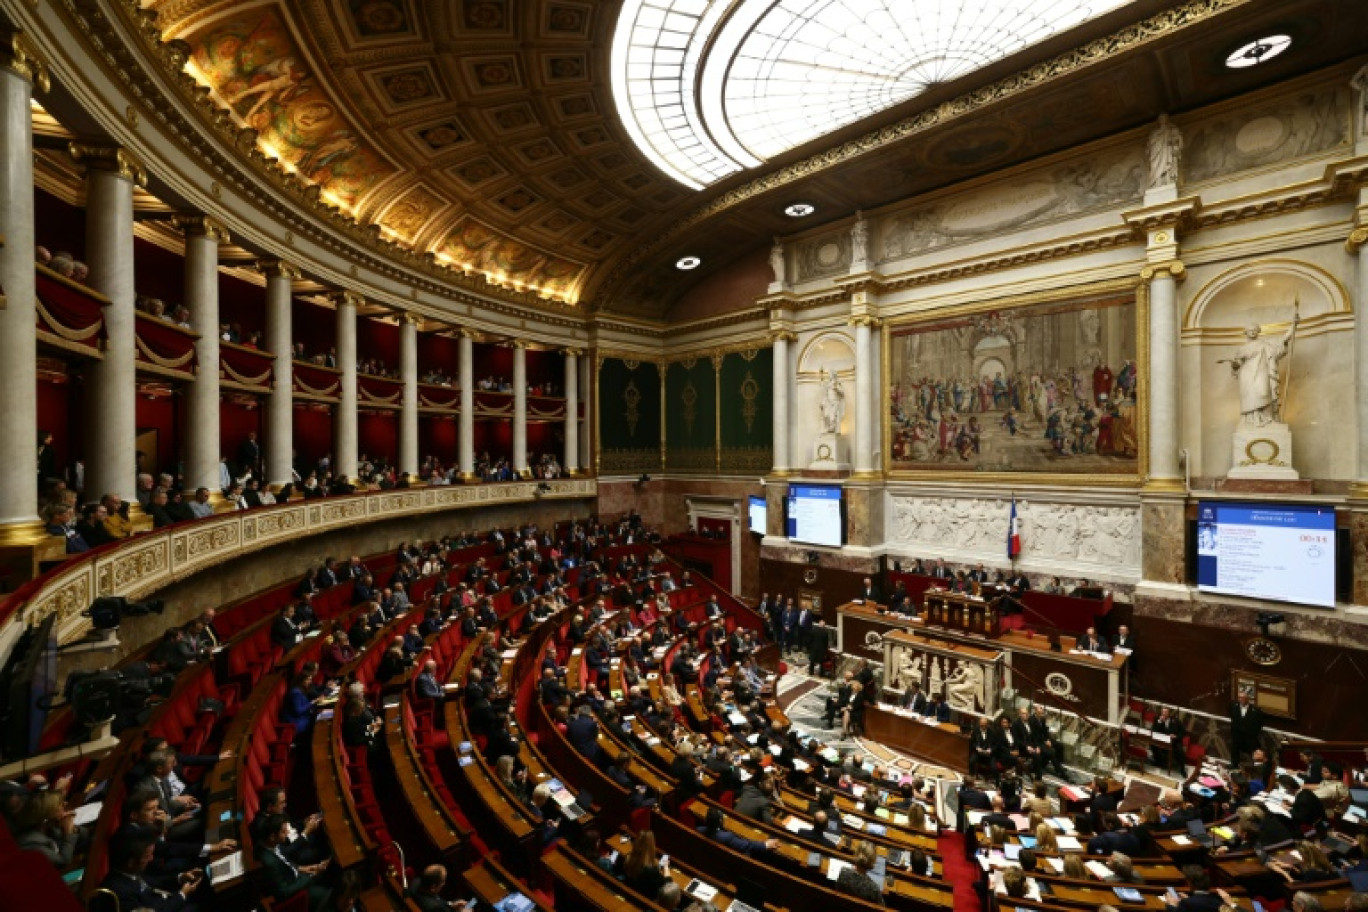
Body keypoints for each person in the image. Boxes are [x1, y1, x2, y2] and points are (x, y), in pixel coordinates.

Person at [100, 834, 203, 912]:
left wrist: (181, 878)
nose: (151, 859)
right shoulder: (121, 895)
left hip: (165, 900)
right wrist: (182, 895)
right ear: (131, 862)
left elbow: (154, 882)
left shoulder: (128, 870)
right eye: (146, 856)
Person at [255, 813, 332, 910]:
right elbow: (283, 893)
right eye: (283, 832)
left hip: (298, 876)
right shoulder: (269, 863)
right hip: (298, 894)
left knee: (330, 872)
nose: (287, 833)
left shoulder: (269, 844)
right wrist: (310, 876)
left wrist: (309, 868)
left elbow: (285, 861)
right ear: (272, 837)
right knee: (329, 895)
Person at [617, 829, 668, 898]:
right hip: (643, 900)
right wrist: (666, 868)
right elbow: (665, 885)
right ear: (652, 845)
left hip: (628, 894)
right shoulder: (652, 871)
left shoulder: (628, 858)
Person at [406, 864, 475, 912]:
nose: (444, 884)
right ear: (433, 887)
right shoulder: (435, 908)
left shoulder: (416, 882)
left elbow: (437, 900)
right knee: (472, 904)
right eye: (442, 881)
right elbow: (438, 906)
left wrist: (451, 904)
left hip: (445, 905)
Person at [835, 840, 885, 906]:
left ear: (856, 854)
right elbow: (881, 907)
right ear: (872, 861)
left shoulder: (843, 873)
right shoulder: (873, 888)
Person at [1229, 690, 1264, 761]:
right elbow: (1232, 718)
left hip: (1249, 738)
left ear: (1247, 699)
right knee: (1234, 751)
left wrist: (1252, 734)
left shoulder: (1256, 711)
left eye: (1242, 698)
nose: (1240, 699)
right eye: (1239, 697)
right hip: (1237, 736)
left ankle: (1256, 769)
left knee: (1255, 754)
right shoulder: (1233, 706)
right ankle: (1234, 766)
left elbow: (1259, 724)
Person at [1150, 706, 1185, 772]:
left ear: (1169, 713)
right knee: (1152, 744)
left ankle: (1182, 768)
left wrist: (1176, 736)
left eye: (1166, 712)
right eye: (1163, 712)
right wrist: (1160, 722)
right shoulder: (1157, 719)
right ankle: (1158, 762)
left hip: (1174, 741)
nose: (1164, 713)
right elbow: (1154, 731)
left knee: (1180, 750)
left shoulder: (1176, 721)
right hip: (1161, 739)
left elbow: (1183, 732)